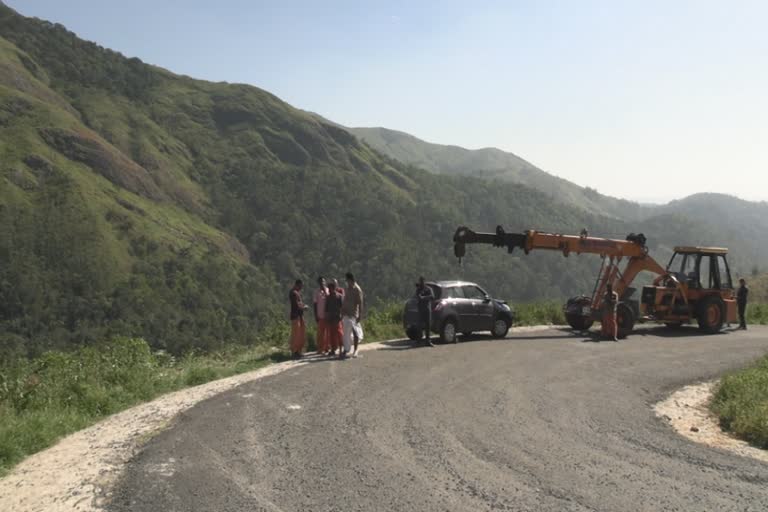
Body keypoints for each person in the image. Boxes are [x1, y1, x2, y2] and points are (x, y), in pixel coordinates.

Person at [341, 272, 364, 358]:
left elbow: (360, 303)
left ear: (351, 280)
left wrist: (360, 315)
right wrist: (342, 310)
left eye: (347, 280)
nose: (347, 282)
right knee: (346, 332)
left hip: (354, 313)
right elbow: (345, 300)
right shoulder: (347, 288)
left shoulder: (357, 289)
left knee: (355, 332)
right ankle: (346, 349)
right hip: (346, 312)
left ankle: (355, 350)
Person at [288, 279, 308, 359]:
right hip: (295, 316)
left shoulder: (297, 293)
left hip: (300, 316)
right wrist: (304, 307)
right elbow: (296, 305)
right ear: (297, 284)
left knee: (301, 334)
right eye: (301, 286)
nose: (301, 287)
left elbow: (299, 303)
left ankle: (299, 351)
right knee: (296, 334)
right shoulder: (293, 293)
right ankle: (294, 351)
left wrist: (303, 306)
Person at [325, 279, 344, 357]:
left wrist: (341, 316)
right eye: (328, 288)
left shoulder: (339, 296)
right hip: (331, 318)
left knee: (339, 334)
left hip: (337, 318)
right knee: (332, 335)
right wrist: (327, 317)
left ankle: (341, 350)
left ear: (333, 288)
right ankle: (333, 349)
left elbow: (342, 307)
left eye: (330, 288)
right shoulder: (328, 298)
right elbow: (326, 309)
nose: (329, 290)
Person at [416, 277, 435, 347]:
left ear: (424, 281)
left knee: (428, 326)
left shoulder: (429, 289)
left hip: (427, 309)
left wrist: (424, 297)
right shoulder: (418, 290)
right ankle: (419, 341)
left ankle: (428, 341)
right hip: (421, 310)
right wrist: (422, 296)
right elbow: (418, 297)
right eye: (420, 281)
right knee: (419, 326)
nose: (421, 283)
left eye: (422, 281)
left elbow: (432, 296)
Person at [313, 276, 330, 354]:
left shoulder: (328, 290)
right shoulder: (316, 291)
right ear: (318, 283)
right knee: (320, 333)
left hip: (327, 315)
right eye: (320, 282)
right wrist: (315, 315)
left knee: (327, 332)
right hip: (320, 315)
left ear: (325, 282)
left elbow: (330, 300)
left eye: (323, 281)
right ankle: (320, 348)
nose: (322, 283)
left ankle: (327, 347)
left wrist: (325, 291)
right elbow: (315, 304)